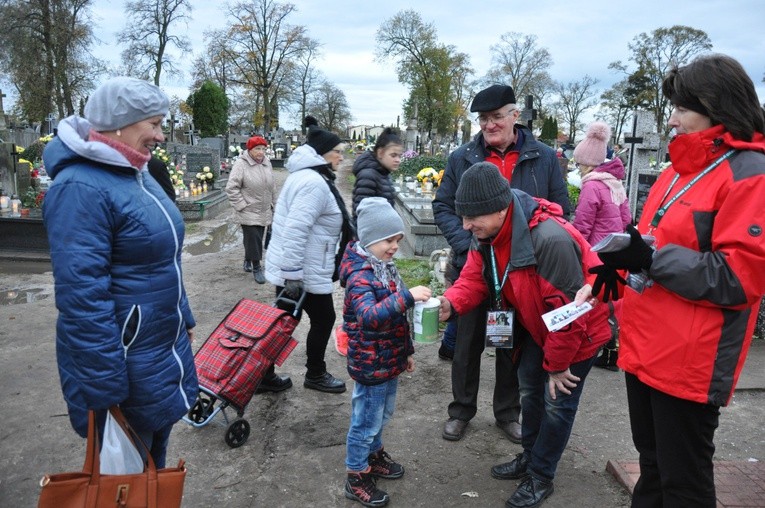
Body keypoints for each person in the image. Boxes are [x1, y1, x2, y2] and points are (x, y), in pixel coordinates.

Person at [580, 54, 765, 507]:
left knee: (683, 481)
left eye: (682, 107)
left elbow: (740, 278)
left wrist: (651, 257)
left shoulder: (750, 175)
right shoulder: (676, 170)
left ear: (715, 106)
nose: (673, 117)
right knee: (653, 465)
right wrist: (623, 259)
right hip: (648, 344)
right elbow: (656, 237)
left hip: (692, 358)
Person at [41, 76, 198, 468]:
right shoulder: (80, 188)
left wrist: (185, 317)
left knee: (152, 469)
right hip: (123, 365)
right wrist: (104, 388)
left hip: (155, 348)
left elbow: (163, 260)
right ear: (119, 124)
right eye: (155, 124)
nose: (161, 136)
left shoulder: (136, 173)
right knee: (125, 479)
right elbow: (82, 297)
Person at [437, 163, 610, 508]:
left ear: (501, 208)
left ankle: (541, 476)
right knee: (530, 391)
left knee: (557, 403)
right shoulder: (488, 234)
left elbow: (571, 315)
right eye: (463, 217)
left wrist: (559, 366)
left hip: (577, 334)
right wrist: (450, 302)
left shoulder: (549, 240)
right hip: (539, 325)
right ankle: (530, 458)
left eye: (473, 218)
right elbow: (473, 278)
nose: (466, 226)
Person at [432, 84, 570, 443]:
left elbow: (560, 209)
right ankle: (461, 409)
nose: (489, 125)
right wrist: (471, 241)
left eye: (496, 117)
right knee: (466, 344)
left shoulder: (543, 157)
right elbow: (443, 206)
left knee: (511, 343)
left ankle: (507, 412)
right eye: (483, 119)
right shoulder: (463, 156)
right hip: (475, 266)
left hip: (522, 270)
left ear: (514, 116)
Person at [338, 197, 432, 507]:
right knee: (365, 421)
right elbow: (369, 316)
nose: (394, 246)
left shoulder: (385, 267)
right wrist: (406, 297)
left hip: (388, 360)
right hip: (370, 363)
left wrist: (406, 352)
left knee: (381, 416)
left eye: (397, 239)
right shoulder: (361, 274)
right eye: (387, 240)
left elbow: (396, 320)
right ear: (369, 238)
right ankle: (356, 474)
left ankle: (374, 455)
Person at [263, 116, 353, 394]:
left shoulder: (305, 176)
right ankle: (314, 373)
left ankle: (262, 373)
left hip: (302, 267)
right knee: (321, 318)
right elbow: (295, 229)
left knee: (285, 321)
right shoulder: (313, 183)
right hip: (302, 270)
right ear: (321, 154)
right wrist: (292, 276)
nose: (341, 156)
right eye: (337, 151)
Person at [572, 121, 632, 371]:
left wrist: (576, 249)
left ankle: (600, 348)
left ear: (587, 163)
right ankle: (613, 353)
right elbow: (627, 220)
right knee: (614, 303)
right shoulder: (614, 183)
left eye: (578, 163)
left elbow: (583, 226)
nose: (577, 168)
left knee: (597, 302)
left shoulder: (592, 186)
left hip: (596, 252)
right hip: (617, 252)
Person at [225, 135, 276, 284]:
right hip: (248, 209)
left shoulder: (267, 163)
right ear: (250, 149)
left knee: (256, 237)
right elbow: (231, 188)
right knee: (254, 238)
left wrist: (275, 205)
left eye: (263, 149)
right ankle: (256, 267)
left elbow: (272, 187)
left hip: (264, 209)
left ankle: (248, 259)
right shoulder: (241, 164)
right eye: (257, 149)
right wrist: (241, 205)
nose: (261, 152)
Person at [351, 127, 402, 219]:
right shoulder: (368, 175)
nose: (398, 160)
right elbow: (362, 215)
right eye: (393, 155)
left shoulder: (383, 173)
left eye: (399, 156)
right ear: (380, 153)